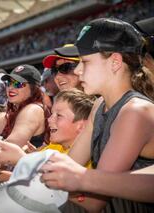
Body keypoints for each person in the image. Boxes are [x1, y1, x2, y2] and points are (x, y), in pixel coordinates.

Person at [42, 18, 154, 212]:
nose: (78, 70)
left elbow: (94, 200)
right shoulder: (100, 104)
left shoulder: (134, 112)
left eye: (85, 62)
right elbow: (73, 162)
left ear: (115, 62)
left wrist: (25, 171)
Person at [39, 152, 154, 204]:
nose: (50, 119)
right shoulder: (98, 108)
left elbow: (94, 204)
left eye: (59, 115)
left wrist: (82, 177)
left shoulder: (135, 111)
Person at [0, 64, 50, 148]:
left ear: (33, 88)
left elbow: (10, 148)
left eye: (17, 84)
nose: (10, 88)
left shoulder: (32, 110)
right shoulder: (12, 114)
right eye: (9, 83)